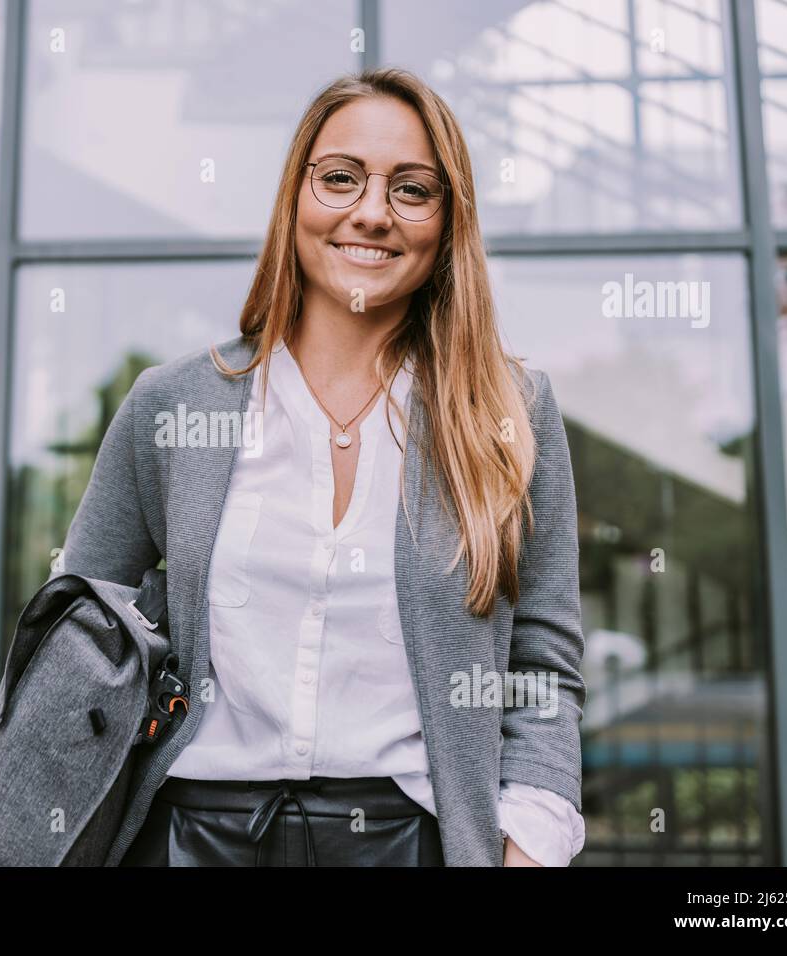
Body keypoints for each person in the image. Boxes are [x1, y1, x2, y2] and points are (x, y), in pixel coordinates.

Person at [58, 67, 586, 867]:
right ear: (295, 197)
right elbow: (77, 642)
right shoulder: (172, 403)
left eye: (413, 190)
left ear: (447, 223)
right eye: (340, 178)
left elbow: (541, 667)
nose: (370, 213)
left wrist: (527, 847)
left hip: (412, 842)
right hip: (186, 839)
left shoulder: (510, 410)